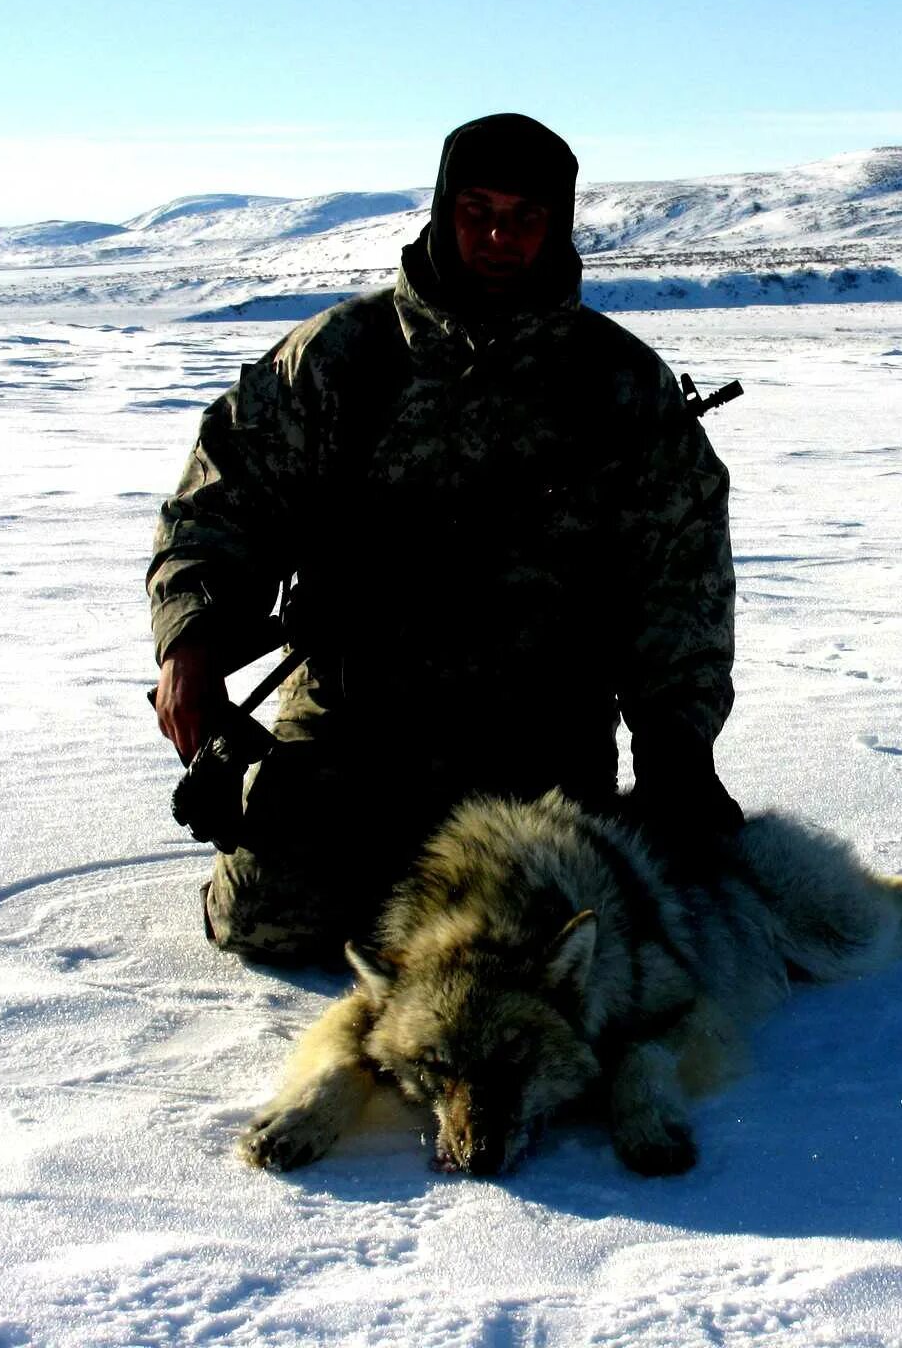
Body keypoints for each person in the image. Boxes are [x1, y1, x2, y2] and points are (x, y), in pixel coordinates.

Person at [147, 113, 739, 965]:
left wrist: (676, 751)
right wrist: (191, 644)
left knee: (546, 944)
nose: (499, 235)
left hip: (539, 742)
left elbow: (681, 580)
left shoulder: (617, 385)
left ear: (559, 224)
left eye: (526, 216)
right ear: (440, 210)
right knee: (273, 925)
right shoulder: (341, 359)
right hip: (351, 725)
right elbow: (219, 504)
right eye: (477, 208)